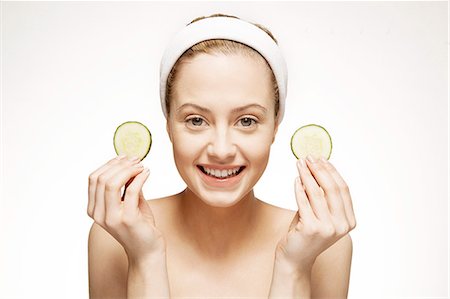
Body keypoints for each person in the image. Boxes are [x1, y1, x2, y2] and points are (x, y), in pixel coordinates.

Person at [87, 13, 356, 298]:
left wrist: (294, 268)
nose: (222, 150)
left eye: (247, 121)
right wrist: (145, 259)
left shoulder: (324, 244)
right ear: (168, 125)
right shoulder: (116, 235)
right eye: (196, 120)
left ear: (275, 127)